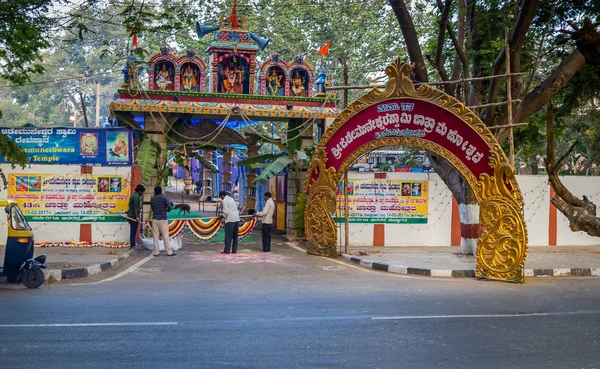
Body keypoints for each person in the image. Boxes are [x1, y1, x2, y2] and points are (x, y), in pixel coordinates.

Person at [150, 186, 175, 256]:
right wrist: (166, 209)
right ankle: (169, 252)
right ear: (161, 191)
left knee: (155, 236)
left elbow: (152, 208)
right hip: (163, 219)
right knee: (165, 235)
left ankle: (156, 252)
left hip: (155, 218)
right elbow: (170, 207)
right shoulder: (164, 198)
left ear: (155, 191)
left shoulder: (152, 199)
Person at [219, 190, 240, 254]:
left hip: (230, 219)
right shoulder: (231, 199)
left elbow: (226, 211)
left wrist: (222, 216)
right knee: (235, 236)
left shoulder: (224, 200)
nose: (221, 198)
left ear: (222, 195)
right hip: (237, 219)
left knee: (228, 236)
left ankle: (227, 250)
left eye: (220, 197)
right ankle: (234, 250)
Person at [127, 184, 145, 249]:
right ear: (139, 191)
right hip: (133, 216)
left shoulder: (134, 195)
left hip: (131, 215)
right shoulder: (136, 197)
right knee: (133, 231)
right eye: (142, 192)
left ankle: (133, 244)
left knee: (133, 230)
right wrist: (137, 217)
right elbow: (135, 208)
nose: (142, 193)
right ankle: (132, 245)